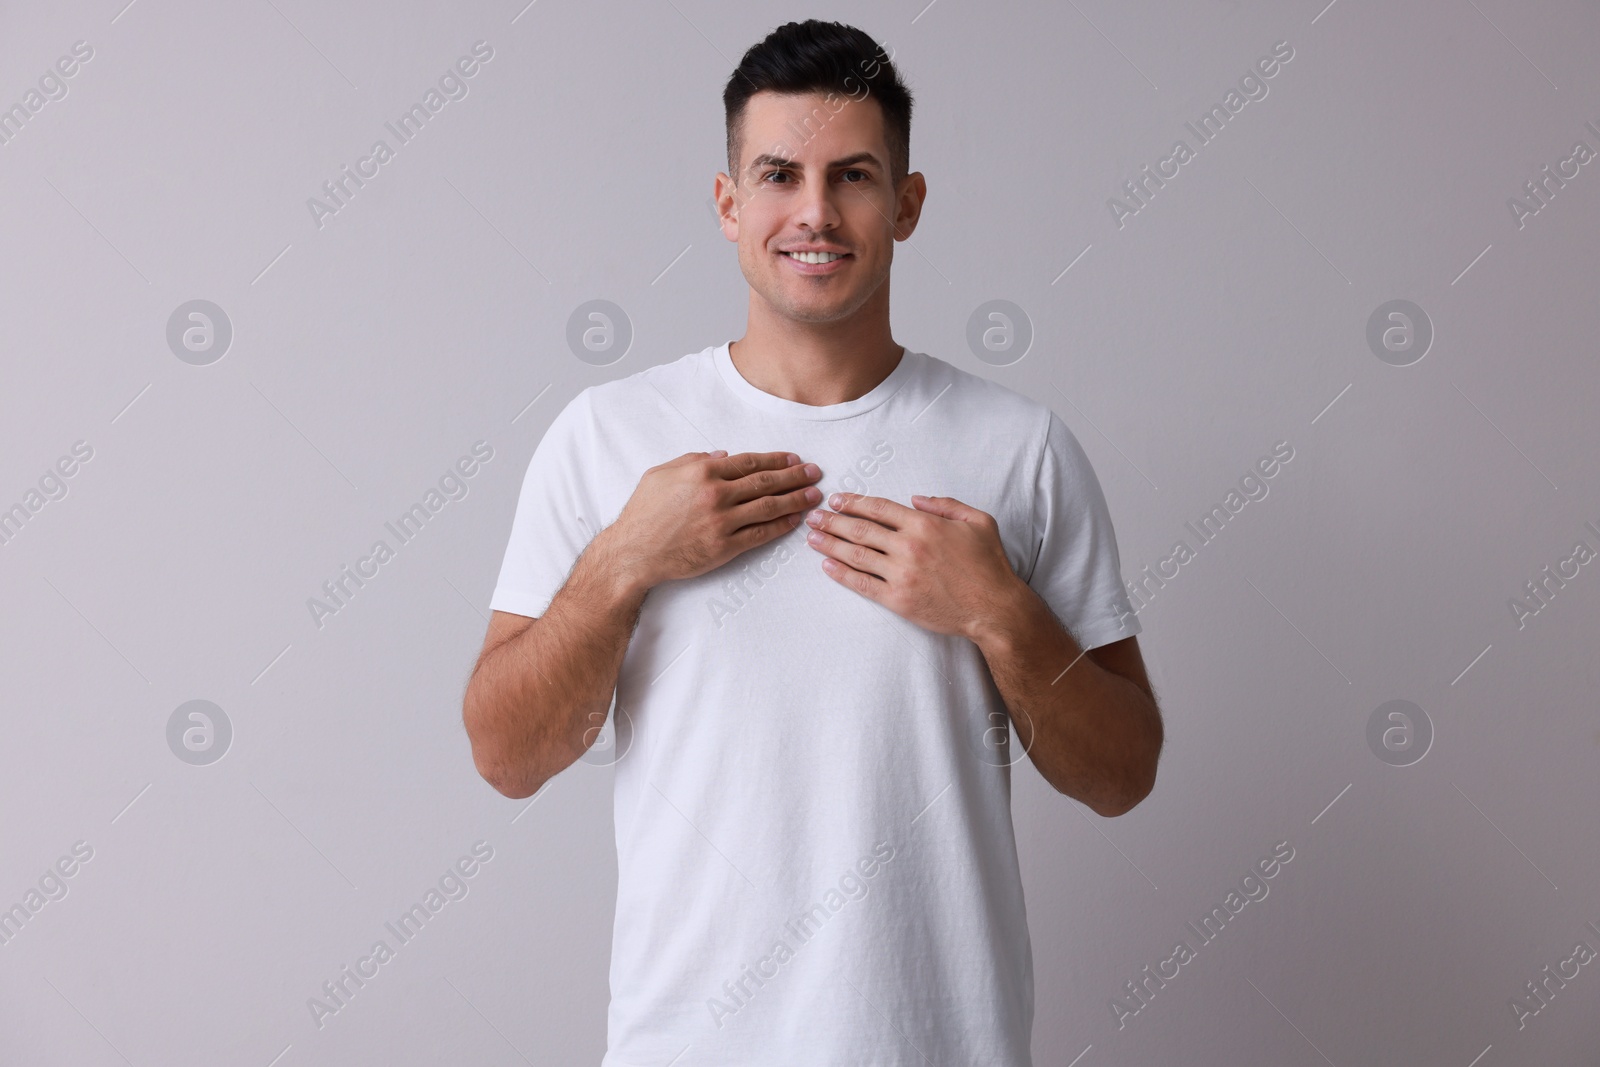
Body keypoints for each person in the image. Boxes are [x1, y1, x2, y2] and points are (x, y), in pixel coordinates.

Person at [462, 18, 1163, 1066]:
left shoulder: (1018, 448)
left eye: (855, 176)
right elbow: (505, 755)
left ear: (907, 203)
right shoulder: (608, 438)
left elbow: (1122, 772)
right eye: (779, 173)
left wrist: (997, 612)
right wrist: (625, 560)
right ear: (728, 203)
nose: (815, 213)